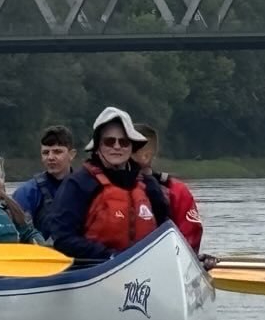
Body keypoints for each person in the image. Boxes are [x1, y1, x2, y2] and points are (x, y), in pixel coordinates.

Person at [44, 106, 173, 262]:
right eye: (109, 141)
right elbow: (63, 238)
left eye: (124, 142)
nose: (117, 147)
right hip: (96, 268)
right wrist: (110, 256)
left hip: (145, 267)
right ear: (98, 147)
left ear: (131, 147)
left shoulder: (149, 185)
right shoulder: (78, 184)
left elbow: (166, 231)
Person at [133, 122, 212, 263]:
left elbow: (190, 239)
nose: (118, 150)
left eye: (127, 146)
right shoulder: (107, 187)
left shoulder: (176, 190)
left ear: (147, 155)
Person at [10, 124, 77, 237]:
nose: (50, 157)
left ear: (72, 154)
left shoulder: (85, 189)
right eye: (46, 152)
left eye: (57, 152)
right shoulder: (26, 193)